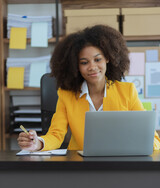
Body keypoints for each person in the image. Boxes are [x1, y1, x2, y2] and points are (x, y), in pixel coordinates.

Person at [17, 24, 160, 151]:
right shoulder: (66, 95)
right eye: (84, 62)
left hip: (119, 163)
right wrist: (38, 143)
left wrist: (144, 145)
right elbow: (55, 134)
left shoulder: (127, 91)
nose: (92, 67)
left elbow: (153, 140)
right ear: (76, 66)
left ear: (108, 58)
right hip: (81, 167)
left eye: (98, 59)